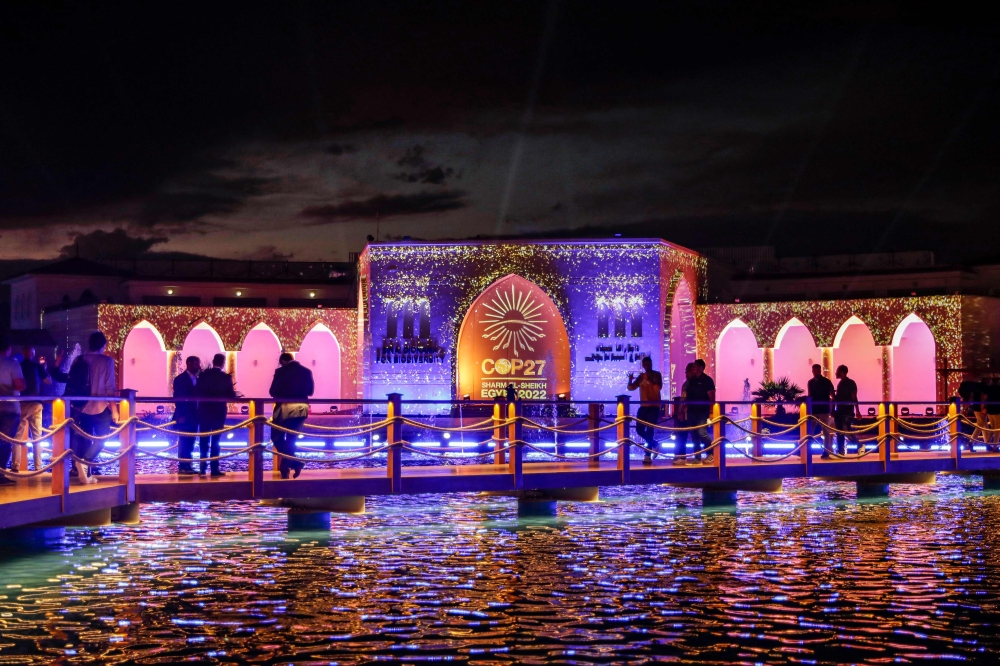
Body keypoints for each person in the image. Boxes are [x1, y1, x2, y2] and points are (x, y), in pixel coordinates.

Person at [67, 332, 118, 484]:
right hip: (100, 406)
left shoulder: (79, 359)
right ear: (103, 345)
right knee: (103, 437)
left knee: (84, 438)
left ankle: (83, 471)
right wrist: (114, 409)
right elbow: (110, 388)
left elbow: (71, 382)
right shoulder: (107, 361)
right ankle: (85, 461)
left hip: (80, 406)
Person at [269, 352, 314, 479]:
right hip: (301, 408)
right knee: (291, 439)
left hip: (284, 408)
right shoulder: (306, 371)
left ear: (283, 361)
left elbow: (272, 391)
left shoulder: (280, 372)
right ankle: (287, 467)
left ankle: (295, 463)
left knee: (276, 436)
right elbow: (310, 391)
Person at [195, 354, 235, 477]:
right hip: (219, 411)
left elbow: (197, 391)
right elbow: (231, 395)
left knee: (204, 439)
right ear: (223, 363)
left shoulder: (203, 375)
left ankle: (202, 469)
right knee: (216, 440)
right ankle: (214, 469)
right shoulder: (225, 377)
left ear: (213, 362)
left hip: (204, 410)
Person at [15, 346, 50, 471]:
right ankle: (38, 467)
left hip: (21, 403)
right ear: (33, 354)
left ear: (23, 353)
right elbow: (48, 381)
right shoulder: (37, 366)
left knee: (17, 436)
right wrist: (44, 368)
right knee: (37, 437)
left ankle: (15, 466)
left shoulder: (17, 365)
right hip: (36, 404)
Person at [0, 337, 26, 486]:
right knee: (5, 442)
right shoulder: (12, 363)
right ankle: (1, 473)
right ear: (8, 348)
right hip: (9, 408)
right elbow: (20, 385)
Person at [628, 356, 663, 465]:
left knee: (650, 430)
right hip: (643, 407)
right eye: (646, 364)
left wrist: (648, 379)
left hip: (654, 406)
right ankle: (654, 444)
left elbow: (658, 388)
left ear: (651, 364)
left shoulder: (657, 375)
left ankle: (647, 455)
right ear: (643, 365)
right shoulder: (640, 377)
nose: (648, 366)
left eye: (649, 364)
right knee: (639, 430)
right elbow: (630, 388)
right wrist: (630, 379)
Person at [173, 356, 202, 475]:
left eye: (198, 364)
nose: (198, 366)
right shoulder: (180, 379)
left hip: (195, 414)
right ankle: (182, 466)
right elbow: (178, 398)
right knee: (183, 440)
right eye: (196, 364)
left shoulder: (199, 379)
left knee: (191, 440)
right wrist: (181, 414)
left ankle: (188, 465)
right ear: (188, 364)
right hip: (184, 414)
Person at [685, 358, 716, 464]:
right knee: (694, 434)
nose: (693, 368)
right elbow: (687, 396)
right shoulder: (691, 380)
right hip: (691, 411)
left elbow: (712, 397)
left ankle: (711, 453)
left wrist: (711, 412)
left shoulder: (707, 380)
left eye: (695, 366)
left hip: (702, 411)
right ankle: (697, 457)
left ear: (701, 368)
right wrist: (684, 408)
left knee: (701, 432)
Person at [807, 364, 836, 458]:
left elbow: (832, 395)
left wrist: (832, 408)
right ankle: (823, 450)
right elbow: (832, 395)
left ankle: (823, 451)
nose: (815, 372)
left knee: (823, 431)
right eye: (814, 370)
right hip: (818, 409)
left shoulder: (819, 382)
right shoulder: (814, 382)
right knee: (817, 431)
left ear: (819, 371)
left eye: (816, 370)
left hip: (821, 409)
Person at [833, 364, 862, 456]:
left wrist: (857, 411)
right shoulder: (840, 384)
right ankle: (841, 451)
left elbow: (854, 397)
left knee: (845, 430)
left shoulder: (850, 383)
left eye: (837, 371)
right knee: (839, 431)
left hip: (847, 411)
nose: (835, 373)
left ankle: (859, 445)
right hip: (840, 410)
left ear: (842, 372)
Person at [672, 363, 696, 465]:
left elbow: (685, 399)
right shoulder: (686, 384)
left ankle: (682, 456)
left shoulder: (690, 384)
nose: (686, 373)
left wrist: (681, 411)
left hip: (690, 413)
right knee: (686, 435)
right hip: (687, 412)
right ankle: (683, 456)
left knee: (684, 435)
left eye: (687, 371)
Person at [958, 373, 985, 451]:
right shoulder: (976, 388)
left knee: (983, 425)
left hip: (977, 406)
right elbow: (975, 398)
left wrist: (965, 409)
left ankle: (987, 442)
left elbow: (968, 399)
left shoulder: (968, 389)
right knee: (981, 425)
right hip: (979, 406)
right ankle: (971, 442)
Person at [983, 376, 1000, 453]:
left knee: (992, 428)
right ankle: (995, 446)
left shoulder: (988, 388)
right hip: (997, 410)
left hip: (990, 410)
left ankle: (987, 442)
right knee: (997, 429)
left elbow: (986, 398)